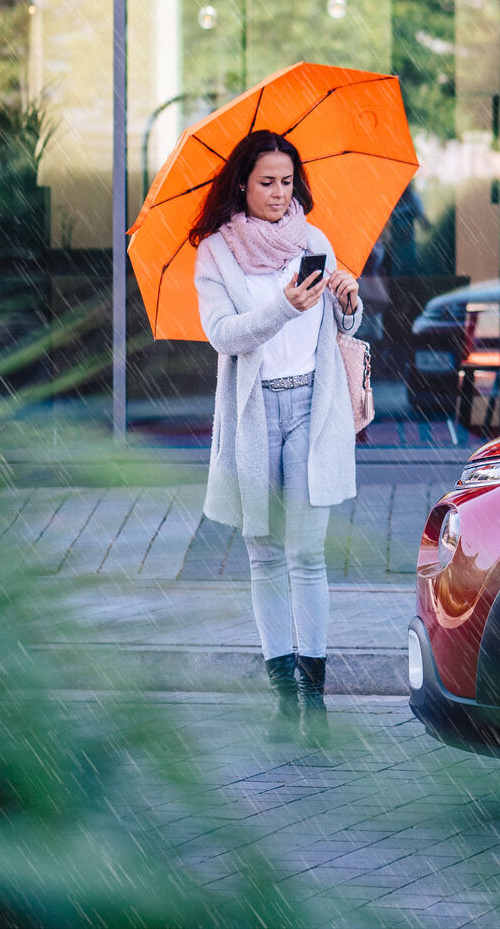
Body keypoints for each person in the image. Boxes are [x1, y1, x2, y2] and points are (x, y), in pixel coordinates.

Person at [189, 129, 362, 744]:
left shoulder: (312, 239)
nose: (278, 193)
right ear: (243, 182)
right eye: (267, 182)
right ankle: (284, 698)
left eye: (287, 182)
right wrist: (286, 306)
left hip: (311, 411)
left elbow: (341, 325)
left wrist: (347, 297)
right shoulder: (216, 254)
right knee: (265, 555)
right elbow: (224, 336)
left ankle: (315, 698)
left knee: (307, 554)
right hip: (257, 414)